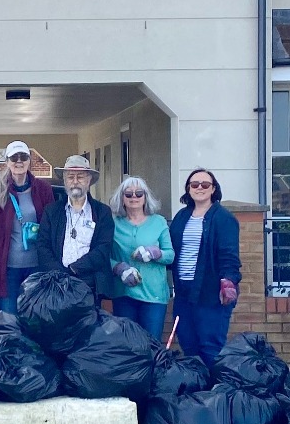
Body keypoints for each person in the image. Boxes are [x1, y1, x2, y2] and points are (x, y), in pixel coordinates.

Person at [169, 167, 242, 368]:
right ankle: (197, 392)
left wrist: (229, 282)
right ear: (188, 189)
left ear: (213, 189)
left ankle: (213, 395)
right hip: (183, 291)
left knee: (210, 347)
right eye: (194, 184)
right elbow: (171, 250)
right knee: (188, 343)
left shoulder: (223, 218)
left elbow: (229, 255)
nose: (199, 187)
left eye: (205, 184)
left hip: (210, 292)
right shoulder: (181, 217)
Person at [0, 140, 56, 313]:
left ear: (29, 161)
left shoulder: (43, 189)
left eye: (23, 157)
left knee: (35, 324)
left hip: (37, 269)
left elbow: (53, 231)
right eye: (14, 157)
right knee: (9, 324)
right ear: (7, 162)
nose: (19, 161)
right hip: (7, 271)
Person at [37, 155, 115, 303]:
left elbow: (103, 248)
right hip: (57, 284)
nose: (75, 181)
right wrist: (60, 273)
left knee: (88, 326)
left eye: (80, 177)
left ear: (89, 180)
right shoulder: (51, 211)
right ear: (65, 181)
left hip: (89, 284)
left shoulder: (102, 212)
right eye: (70, 177)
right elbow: (42, 246)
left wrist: (75, 269)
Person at [109, 176, 174, 340]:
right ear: (122, 198)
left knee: (152, 343)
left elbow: (170, 255)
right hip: (124, 294)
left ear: (146, 197)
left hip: (154, 295)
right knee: (127, 345)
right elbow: (104, 256)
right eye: (128, 194)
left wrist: (156, 253)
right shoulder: (113, 223)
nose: (134, 197)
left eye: (139, 193)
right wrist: (118, 268)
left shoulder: (158, 222)